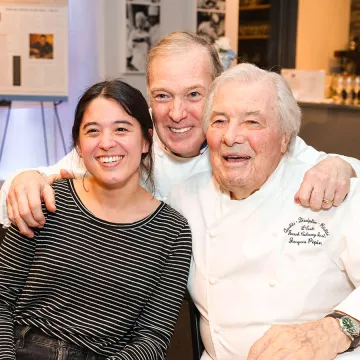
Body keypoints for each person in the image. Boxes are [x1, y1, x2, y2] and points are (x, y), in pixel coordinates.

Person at [1, 31, 359, 237]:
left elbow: (326, 164)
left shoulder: (247, 144)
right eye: (162, 96)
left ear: (217, 91)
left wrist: (338, 166)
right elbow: (41, 182)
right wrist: (26, 179)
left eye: (193, 95)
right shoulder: (130, 149)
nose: (176, 113)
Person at [168, 63, 360, 360]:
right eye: (219, 121)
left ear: (286, 138)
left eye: (252, 123)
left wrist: (335, 330)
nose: (231, 136)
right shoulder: (185, 198)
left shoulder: (329, 188)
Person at [0, 79, 192, 359]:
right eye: (92, 131)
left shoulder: (172, 231)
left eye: (121, 129)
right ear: (79, 144)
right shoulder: (47, 199)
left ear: (147, 140)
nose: (106, 143)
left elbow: (152, 339)